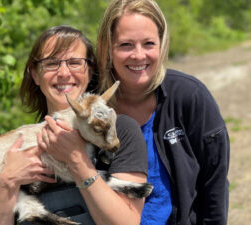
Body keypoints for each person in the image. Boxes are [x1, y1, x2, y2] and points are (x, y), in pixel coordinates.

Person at [0, 25, 149, 225]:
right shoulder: (20, 147)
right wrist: (2, 178)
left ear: (90, 71)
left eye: (75, 63)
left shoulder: (121, 130)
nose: (64, 73)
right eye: (51, 63)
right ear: (34, 74)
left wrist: (76, 159)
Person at [96, 0, 230, 224]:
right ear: (108, 47)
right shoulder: (91, 106)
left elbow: (214, 184)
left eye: (149, 43)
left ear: (162, 44)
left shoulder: (191, 96)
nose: (139, 56)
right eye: (126, 45)